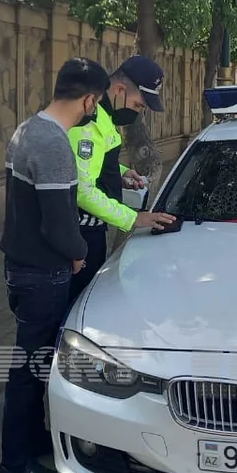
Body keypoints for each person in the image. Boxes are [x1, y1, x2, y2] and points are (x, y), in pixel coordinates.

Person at [0, 57, 111, 473]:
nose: (92, 110)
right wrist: (79, 253)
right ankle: (15, 464)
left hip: (21, 266)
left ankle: (32, 440)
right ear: (88, 99)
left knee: (34, 363)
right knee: (29, 368)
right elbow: (57, 221)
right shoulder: (54, 144)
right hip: (44, 272)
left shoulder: (27, 130)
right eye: (94, 103)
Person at [66, 55, 176, 304]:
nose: (138, 112)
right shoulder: (89, 123)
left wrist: (120, 172)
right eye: (138, 105)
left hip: (91, 231)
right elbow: (82, 190)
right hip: (80, 235)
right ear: (119, 90)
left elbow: (89, 163)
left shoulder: (104, 117)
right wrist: (134, 218)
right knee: (75, 310)